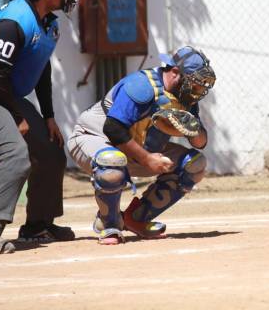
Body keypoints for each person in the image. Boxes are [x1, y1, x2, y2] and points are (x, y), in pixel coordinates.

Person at [0, 0, 80, 254]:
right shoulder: (14, 22)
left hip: (2, 92)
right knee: (15, 153)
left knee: (49, 149)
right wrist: (19, 116)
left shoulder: (49, 22)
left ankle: (38, 224)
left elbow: (41, 68)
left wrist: (48, 116)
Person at [66, 46, 215, 245]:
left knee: (195, 164)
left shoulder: (185, 97)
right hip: (95, 137)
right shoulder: (141, 85)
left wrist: (193, 129)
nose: (198, 91)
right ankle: (109, 223)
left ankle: (136, 218)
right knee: (111, 161)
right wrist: (147, 159)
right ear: (175, 72)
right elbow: (113, 128)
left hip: (136, 148)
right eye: (194, 84)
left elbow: (201, 143)